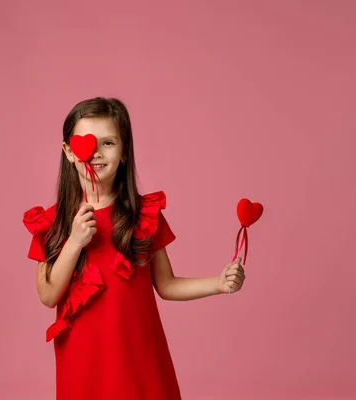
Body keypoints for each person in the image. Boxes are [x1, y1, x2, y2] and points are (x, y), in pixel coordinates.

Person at [22, 97, 246, 400]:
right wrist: (74, 242)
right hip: (83, 363)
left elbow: (166, 285)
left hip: (138, 356)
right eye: (87, 143)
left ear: (125, 151)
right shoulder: (53, 223)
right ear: (69, 152)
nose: (97, 153)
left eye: (109, 142)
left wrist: (218, 284)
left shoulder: (143, 216)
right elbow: (47, 295)